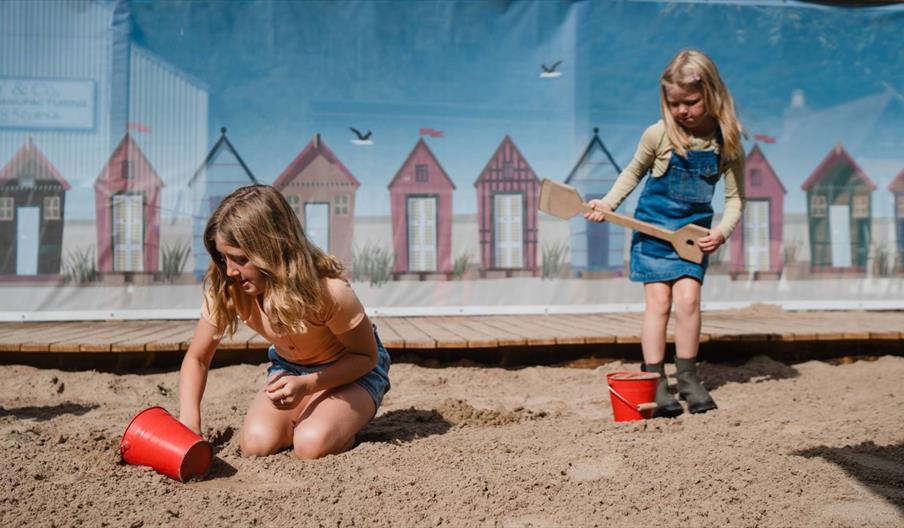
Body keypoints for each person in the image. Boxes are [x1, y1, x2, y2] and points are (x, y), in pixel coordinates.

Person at [585, 49, 745, 417]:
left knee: (688, 301)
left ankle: (687, 377)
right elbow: (632, 172)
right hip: (653, 233)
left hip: (691, 238)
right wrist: (609, 203)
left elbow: (736, 198)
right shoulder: (658, 135)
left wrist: (722, 231)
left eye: (690, 102)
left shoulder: (727, 140)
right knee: (658, 304)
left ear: (712, 94)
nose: (681, 111)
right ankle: (655, 378)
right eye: (673, 103)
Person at [178, 185, 391, 459]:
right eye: (223, 257)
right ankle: (316, 413)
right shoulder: (227, 286)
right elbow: (198, 358)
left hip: (354, 371)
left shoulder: (329, 291)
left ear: (273, 249)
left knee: (311, 444)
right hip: (290, 369)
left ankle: (333, 421)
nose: (230, 270)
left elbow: (366, 356)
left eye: (241, 259)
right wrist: (189, 422)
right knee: (256, 444)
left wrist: (309, 386)